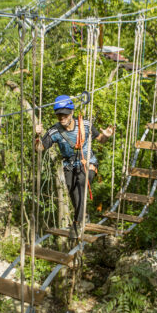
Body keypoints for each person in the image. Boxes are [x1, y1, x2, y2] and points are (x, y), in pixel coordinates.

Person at [35, 95, 115, 236]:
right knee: (73, 192)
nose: (62, 117)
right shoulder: (54, 131)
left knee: (82, 183)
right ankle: (84, 215)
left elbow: (101, 140)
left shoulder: (85, 125)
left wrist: (107, 135)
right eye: (59, 115)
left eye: (65, 114)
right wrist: (37, 136)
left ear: (71, 113)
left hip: (87, 161)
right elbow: (40, 149)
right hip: (70, 164)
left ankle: (77, 223)